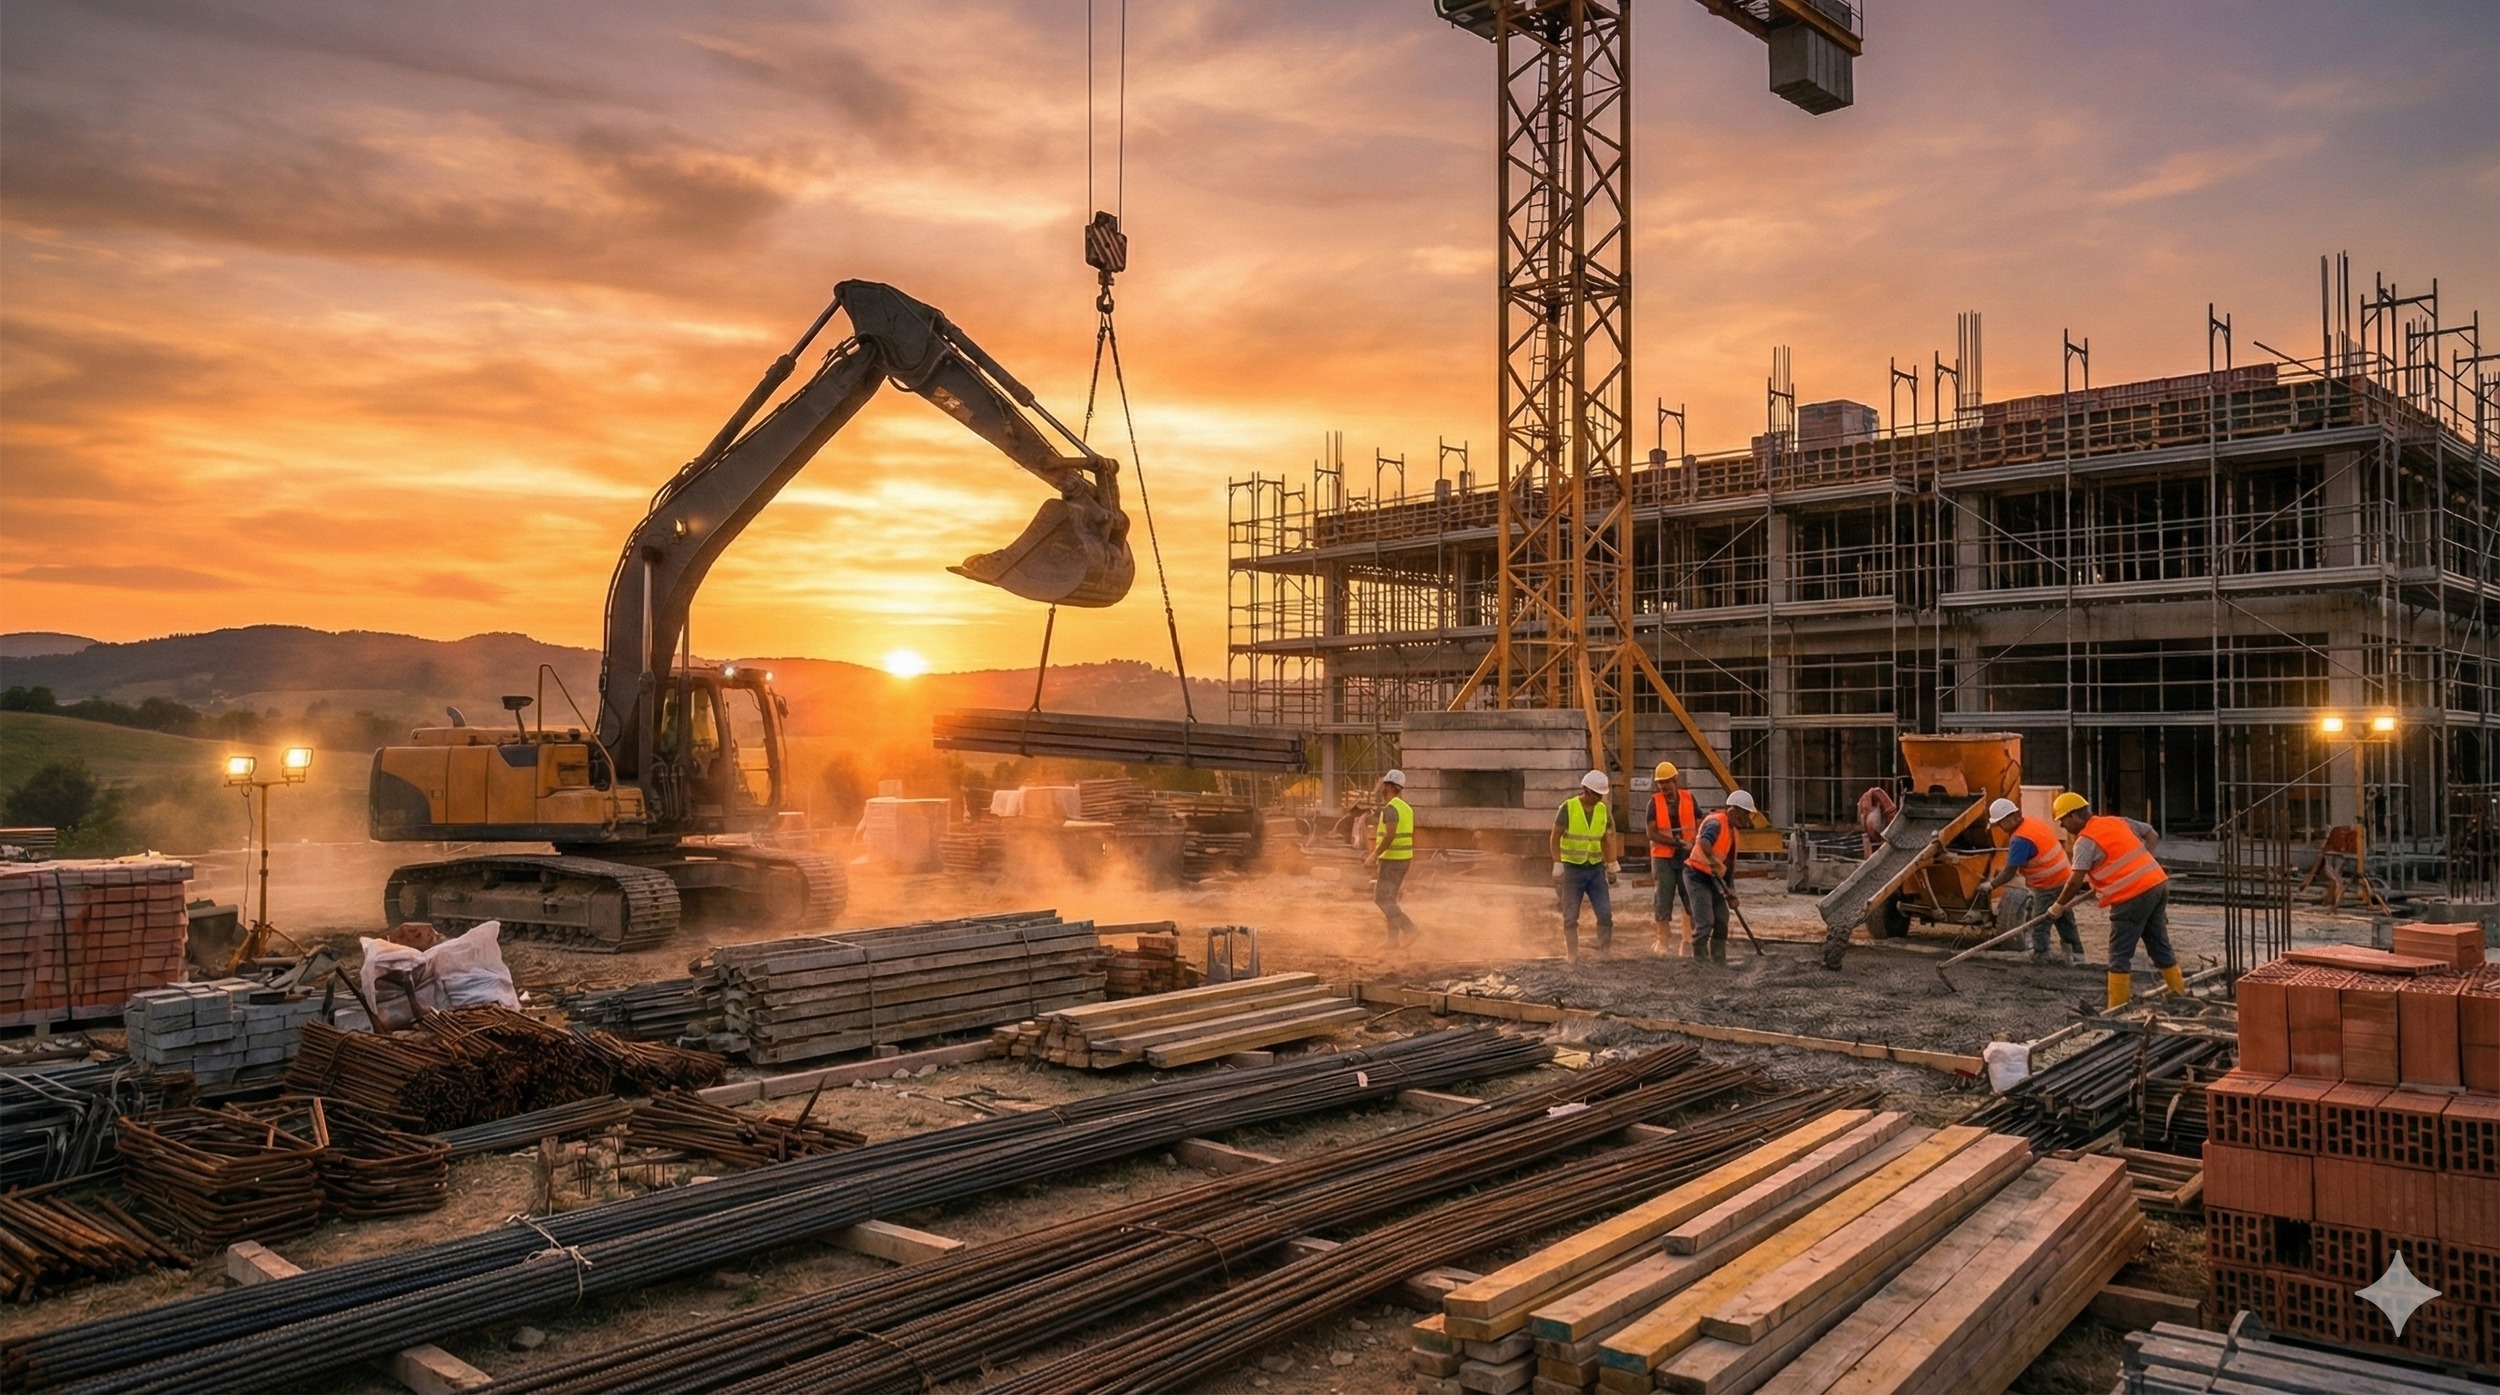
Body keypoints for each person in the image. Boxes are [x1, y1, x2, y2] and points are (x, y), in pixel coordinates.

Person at [2045, 792, 2188, 1010]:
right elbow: (2151, 834)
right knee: (2158, 943)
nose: (2063, 827)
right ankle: (2179, 994)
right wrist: (2145, 858)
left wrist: (2058, 905)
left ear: (2074, 816)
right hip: (2157, 885)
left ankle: (2116, 1008)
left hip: (2132, 896)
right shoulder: (2116, 821)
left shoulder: (2086, 841)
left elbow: (2075, 881)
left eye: (2063, 821)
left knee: (2119, 953)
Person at [1975, 797, 2087, 965]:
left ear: (2009, 819)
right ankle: (2077, 956)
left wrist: (1991, 885)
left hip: (2048, 884)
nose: (2000, 828)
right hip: (2064, 878)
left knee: (2040, 920)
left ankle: (2041, 954)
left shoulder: (2020, 839)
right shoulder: (2032, 822)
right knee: (2064, 918)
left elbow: (2009, 871)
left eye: (1999, 824)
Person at [1551, 770, 1621, 961]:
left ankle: (1605, 951)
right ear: (1586, 790)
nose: (1599, 798)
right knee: (1570, 915)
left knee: (1605, 913)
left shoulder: (1602, 809)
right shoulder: (1568, 808)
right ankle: (1572, 954)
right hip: (1572, 870)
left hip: (1595, 869)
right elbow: (1555, 837)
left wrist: (1611, 863)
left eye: (1601, 795)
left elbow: (1608, 838)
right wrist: (1558, 864)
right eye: (1596, 794)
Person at [1685, 791, 1755, 965]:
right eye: (1745, 813)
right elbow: (1704, 842)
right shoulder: (1716, 822)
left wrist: (1732, 892)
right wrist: (1712, 861)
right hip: (1697, 875)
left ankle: (1718, 958)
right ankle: (1699, 961)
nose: (1746, 818)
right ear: (1735, 810)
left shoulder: (1734, 832)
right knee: (1706, 921)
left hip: (1714, 880)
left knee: (1722, 919)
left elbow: (1729, 867)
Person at [1647, 762, 1698, 956]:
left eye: (1667, 785)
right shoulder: (1654, 802)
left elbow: (1699, 822)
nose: (1664, 789)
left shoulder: (1689, 798)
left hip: (1686, 855)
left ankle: (1691, 939)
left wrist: (1692, 842)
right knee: (1662, 898)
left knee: (1690, 896)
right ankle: (1662, 941)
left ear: (1675, 781)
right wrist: (1672, 842)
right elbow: (1651, 832)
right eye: (1661, 785)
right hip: (1663, 858)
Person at [1366, 770, 1419, 946]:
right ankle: (1392, 941)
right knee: (1390, 899)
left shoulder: (1391, 809)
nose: (1382, 788)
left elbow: (1390, 835)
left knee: (1381, 898)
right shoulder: (1406, 808)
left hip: (1392, 861)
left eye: (1384, 785)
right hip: (1403, 859)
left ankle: (1410, 929)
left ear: (1388, 786)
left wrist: (1374, 855)